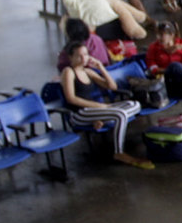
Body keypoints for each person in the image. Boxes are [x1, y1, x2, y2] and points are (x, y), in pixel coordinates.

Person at [56, 20, 150, 168]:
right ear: (71, 58)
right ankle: (119, 152)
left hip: (95, 111)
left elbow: (112, 86)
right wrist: (99, 106)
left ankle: (100, 119)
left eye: (86, 55)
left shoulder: (88, 71)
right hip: (79, 114)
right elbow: (71, 98)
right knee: (120, 114)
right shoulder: (68, 72)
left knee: (135, 104)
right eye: (79, 56)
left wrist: (101, 67)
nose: (84, 58)